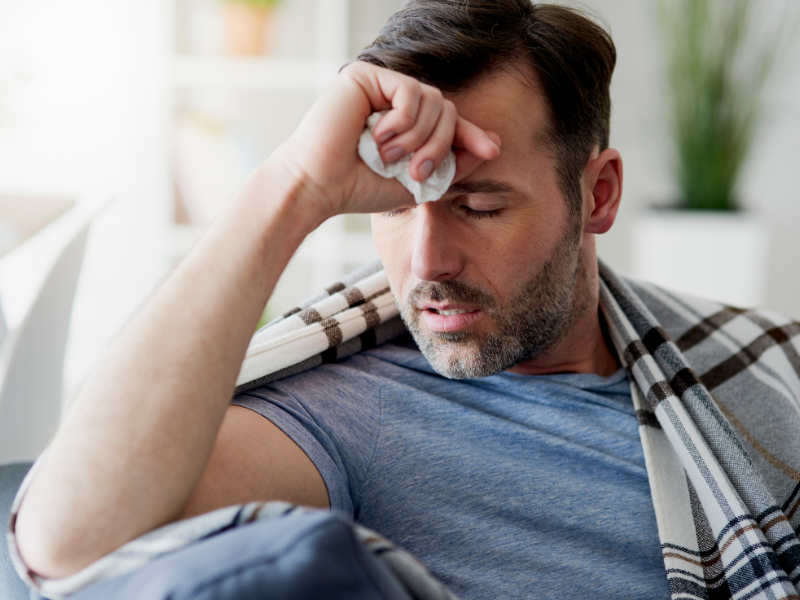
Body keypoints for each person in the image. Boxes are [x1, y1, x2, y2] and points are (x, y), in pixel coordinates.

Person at [9, 1, 800, 599]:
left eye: (480, 206)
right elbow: (63, 542)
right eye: (390, 206)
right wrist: (294, 187)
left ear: (598, 195)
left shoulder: (753, 362)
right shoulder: (344, 417)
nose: (426, 261)